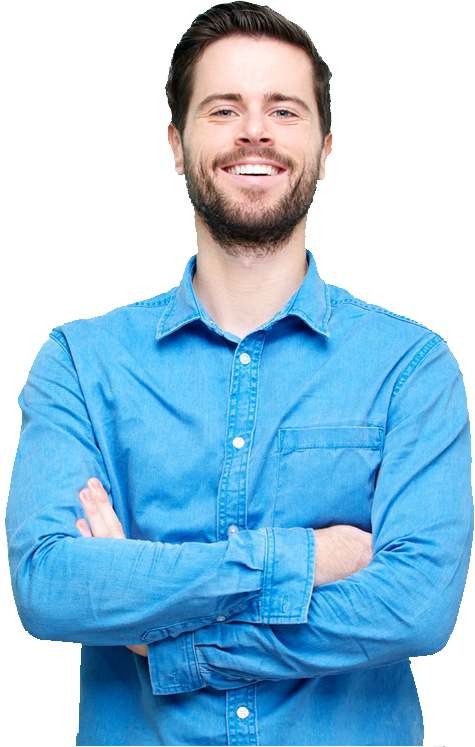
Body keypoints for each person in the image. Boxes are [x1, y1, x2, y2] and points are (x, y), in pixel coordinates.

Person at [5, 3, 473, 746]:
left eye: (283, 111)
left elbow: (415, 608)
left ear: (324, 149)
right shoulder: (80, 361)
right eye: (223, 109)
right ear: (176, 144)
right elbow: (50, 585)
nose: (255, 131)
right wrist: (308, 558)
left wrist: (165, 640)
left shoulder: (410, 366)